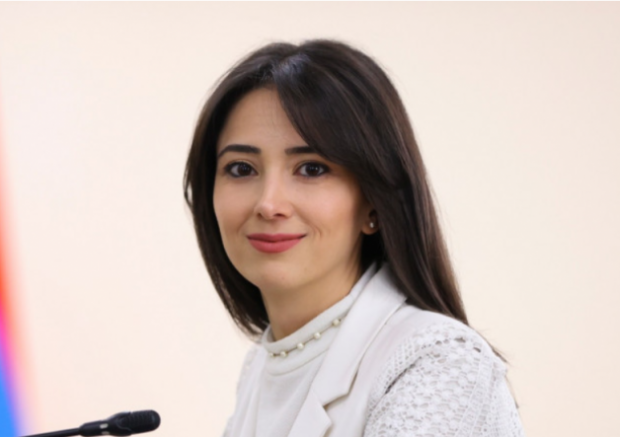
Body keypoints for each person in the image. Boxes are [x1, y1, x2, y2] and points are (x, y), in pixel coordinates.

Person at [183, 40, 525, 437]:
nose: (269, 204)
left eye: (311, 169)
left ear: (373, 203)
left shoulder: (438, 363)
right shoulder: (260, 368)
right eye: (241, 169)